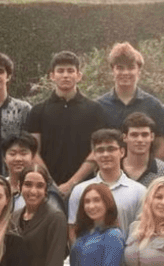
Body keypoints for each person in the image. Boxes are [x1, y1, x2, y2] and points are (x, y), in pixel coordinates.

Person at [25, 50, 114, 193]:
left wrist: (72, 183)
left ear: (78, 76)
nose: (65, 75)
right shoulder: (37, 111)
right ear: (52, 76)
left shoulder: (95, 110)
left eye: (70, 71)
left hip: (86, 188)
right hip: (47, 189)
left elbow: (97, 150)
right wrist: (50, 183)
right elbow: (33, 152)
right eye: (60, 71)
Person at [98, 42, 164, 131]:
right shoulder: (99, 107)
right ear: (112, 71)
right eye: (120, 68)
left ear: (139, 71)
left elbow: (159, 143)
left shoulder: (153, 106)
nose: (125, 72)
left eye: (131, 67)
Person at [119, 113, 164, 186]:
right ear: (125, 137)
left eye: (144, 135)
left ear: (152, 137)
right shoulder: (114, 168)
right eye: (134, 135)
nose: (140, 140)